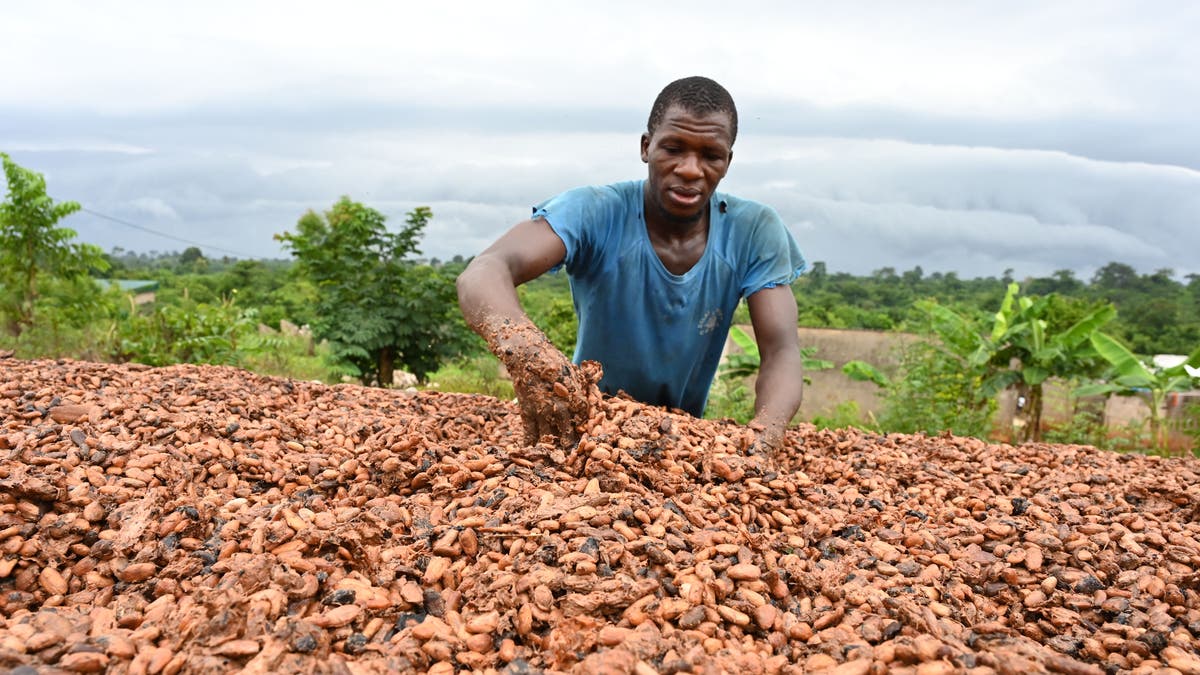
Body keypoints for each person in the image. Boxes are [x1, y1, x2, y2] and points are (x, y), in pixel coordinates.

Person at [456, 76, 806, 450]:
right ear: (646, 147)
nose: (690, 169)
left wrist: (764, 438)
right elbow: (485, 271)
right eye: (673, 148)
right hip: (586, 436)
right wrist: (529, 354)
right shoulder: (594, 211)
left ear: (728, 161)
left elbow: (781, 350)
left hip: (683, 443)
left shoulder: (754, 231)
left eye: (710, 155)